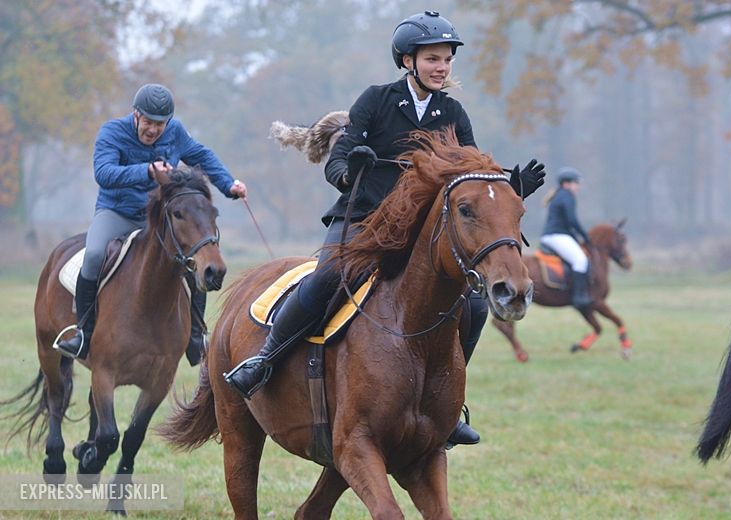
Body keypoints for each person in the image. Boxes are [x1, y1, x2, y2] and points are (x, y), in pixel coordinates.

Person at [224, 11, 545, 447]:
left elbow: (468, 175)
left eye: (447, 60)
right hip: (361, 220)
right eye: (433, 59)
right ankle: (264, 360)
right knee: (327, 278)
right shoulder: (375, 100)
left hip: (416, 234)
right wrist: (347, 171)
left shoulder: (452, 113)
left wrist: (512, 187)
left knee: (474, 306)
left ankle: (446, 406)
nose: (442, 68)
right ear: (408, 61)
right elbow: (337, 163)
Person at [55, 83, 247, 362]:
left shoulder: (176, 132)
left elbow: (202, 156)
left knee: (193, 259)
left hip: (156, 221)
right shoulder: (112, 132)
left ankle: (195, 337)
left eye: (160, 124)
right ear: (136, 115)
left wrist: (229, 184)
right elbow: (104, 173)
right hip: (116, 213)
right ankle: (83, 334)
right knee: (95, 254)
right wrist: (146, 170)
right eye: (148, 122)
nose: (153, 129)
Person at [540, 167, 592, 311]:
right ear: (567, 184)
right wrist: (585, 236)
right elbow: (572, 221)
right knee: (580, 260)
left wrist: (576, 237)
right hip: (557, 236)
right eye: (576, 184)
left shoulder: (560, 195)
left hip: (554, 235)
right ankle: (579, 296)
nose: (578, 187)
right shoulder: (567, 195)